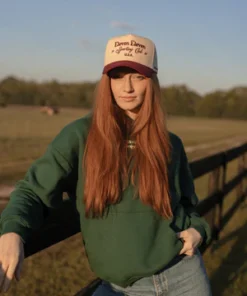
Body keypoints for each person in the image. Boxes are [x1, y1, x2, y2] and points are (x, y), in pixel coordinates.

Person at [0, 34, 212, 295]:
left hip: (184, 279)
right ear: (106, 81)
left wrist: (199, 231)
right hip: (118, 288)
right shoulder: (79, 136)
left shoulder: (171, 144)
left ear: (152, 81)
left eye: (138, 76)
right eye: (118, 76)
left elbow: (187, 205)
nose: (127, 87)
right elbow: (33, 191)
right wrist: (12, 232)